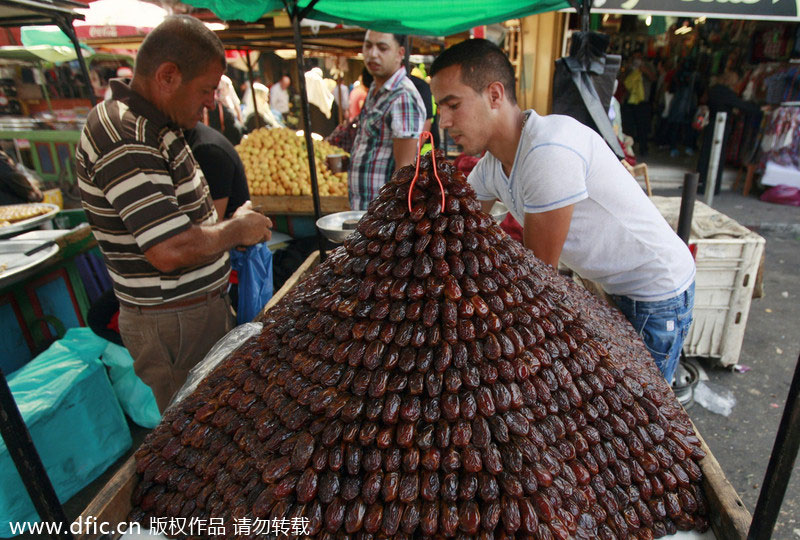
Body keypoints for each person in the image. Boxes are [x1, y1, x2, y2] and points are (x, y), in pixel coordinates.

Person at [430, 38, 696, 385]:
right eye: (440, 108)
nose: (444, 121)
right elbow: (458, 233)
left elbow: (537, 277)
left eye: (452, 105)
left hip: (656, 293)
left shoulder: (548, 151)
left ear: (494, 95)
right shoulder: (493, 165)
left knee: (639, 412)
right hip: (611, 284)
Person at [76, 15, 273, 413]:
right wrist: (236, 230)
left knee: (216, 416)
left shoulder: (156, 125)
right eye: (205, 90)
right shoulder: (122, 134)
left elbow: (181, 221)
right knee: (195, 428)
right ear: (167, 76)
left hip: (193, 313)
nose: (210, 102)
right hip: (174, 324)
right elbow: (167, 248)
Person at [348, 31, 425, 210]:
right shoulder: (376, 89)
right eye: (368, 46)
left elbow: (404, 171)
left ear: (400, 53)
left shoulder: (403, 96)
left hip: (382, 216)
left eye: (382, 48)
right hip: (365, 210)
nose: (373, 54)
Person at [696, 70, 761, 195]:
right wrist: (759, 109)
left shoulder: (713, 89)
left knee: (706, 153)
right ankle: (712, 185)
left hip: (711, 123)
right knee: (717, 156)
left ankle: (702, 182)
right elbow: (741, 105)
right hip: (721, 125)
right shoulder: (726, 93)